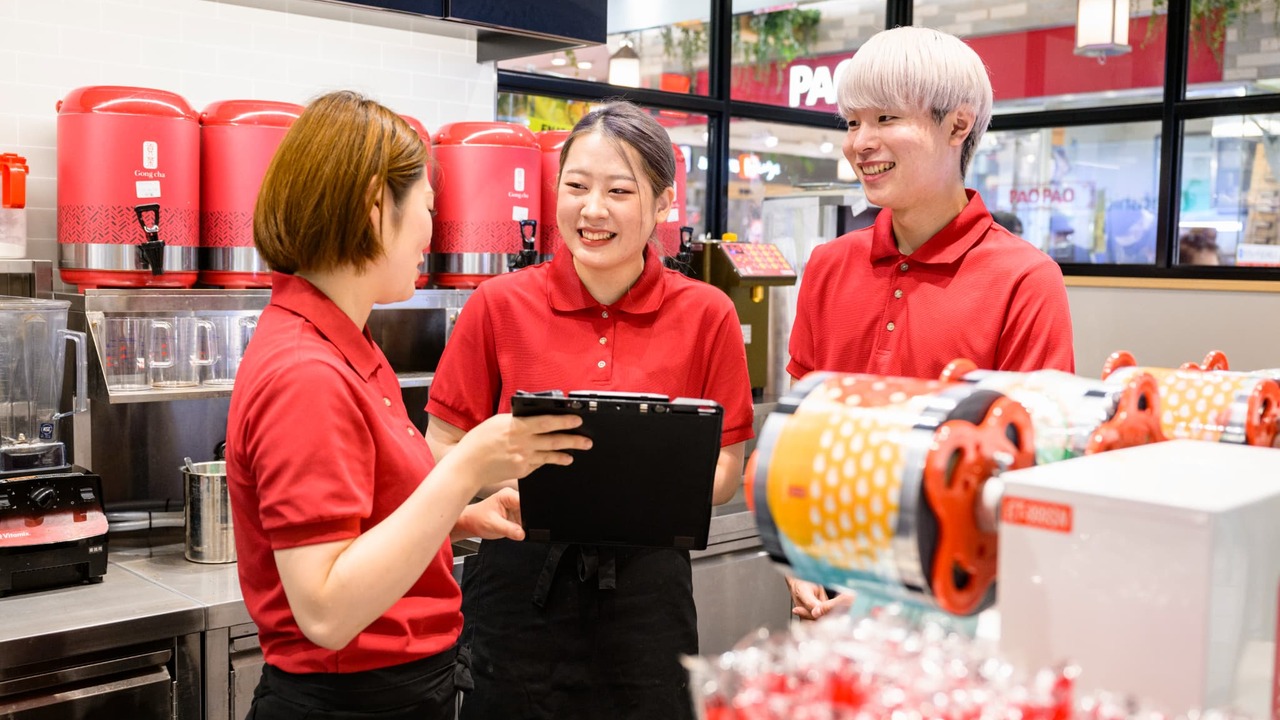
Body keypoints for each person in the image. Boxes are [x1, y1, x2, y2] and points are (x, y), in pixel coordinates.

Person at [224, 90, 591, 720]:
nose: (432, 230)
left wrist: (460, 515)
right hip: (350, 700)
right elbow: (327, 608)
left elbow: (364, 519)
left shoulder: (345, 341)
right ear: (374, 207)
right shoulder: (306, 372)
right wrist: (467, 465)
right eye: (425, 207)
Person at [425, 101, 754, 719]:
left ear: (661, 204)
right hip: (519, 583)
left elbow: (725, 470)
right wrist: (513, 480)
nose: (592, 209)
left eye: (619, 191)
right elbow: (440, 446)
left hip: (647, 597)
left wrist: (619, 489)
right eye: (576, 187)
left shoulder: (708, 313)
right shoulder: (497, 305)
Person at [785, 26, 1075, 619]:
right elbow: (803, 426)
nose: (860, 142)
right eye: (850, 122)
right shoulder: (827, 265)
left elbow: (1035, 464)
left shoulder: (1025, 278)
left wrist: (894, 577)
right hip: (826, 577)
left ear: (957, 126)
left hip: (960, 596)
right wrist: (797, 555)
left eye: (885, 117)